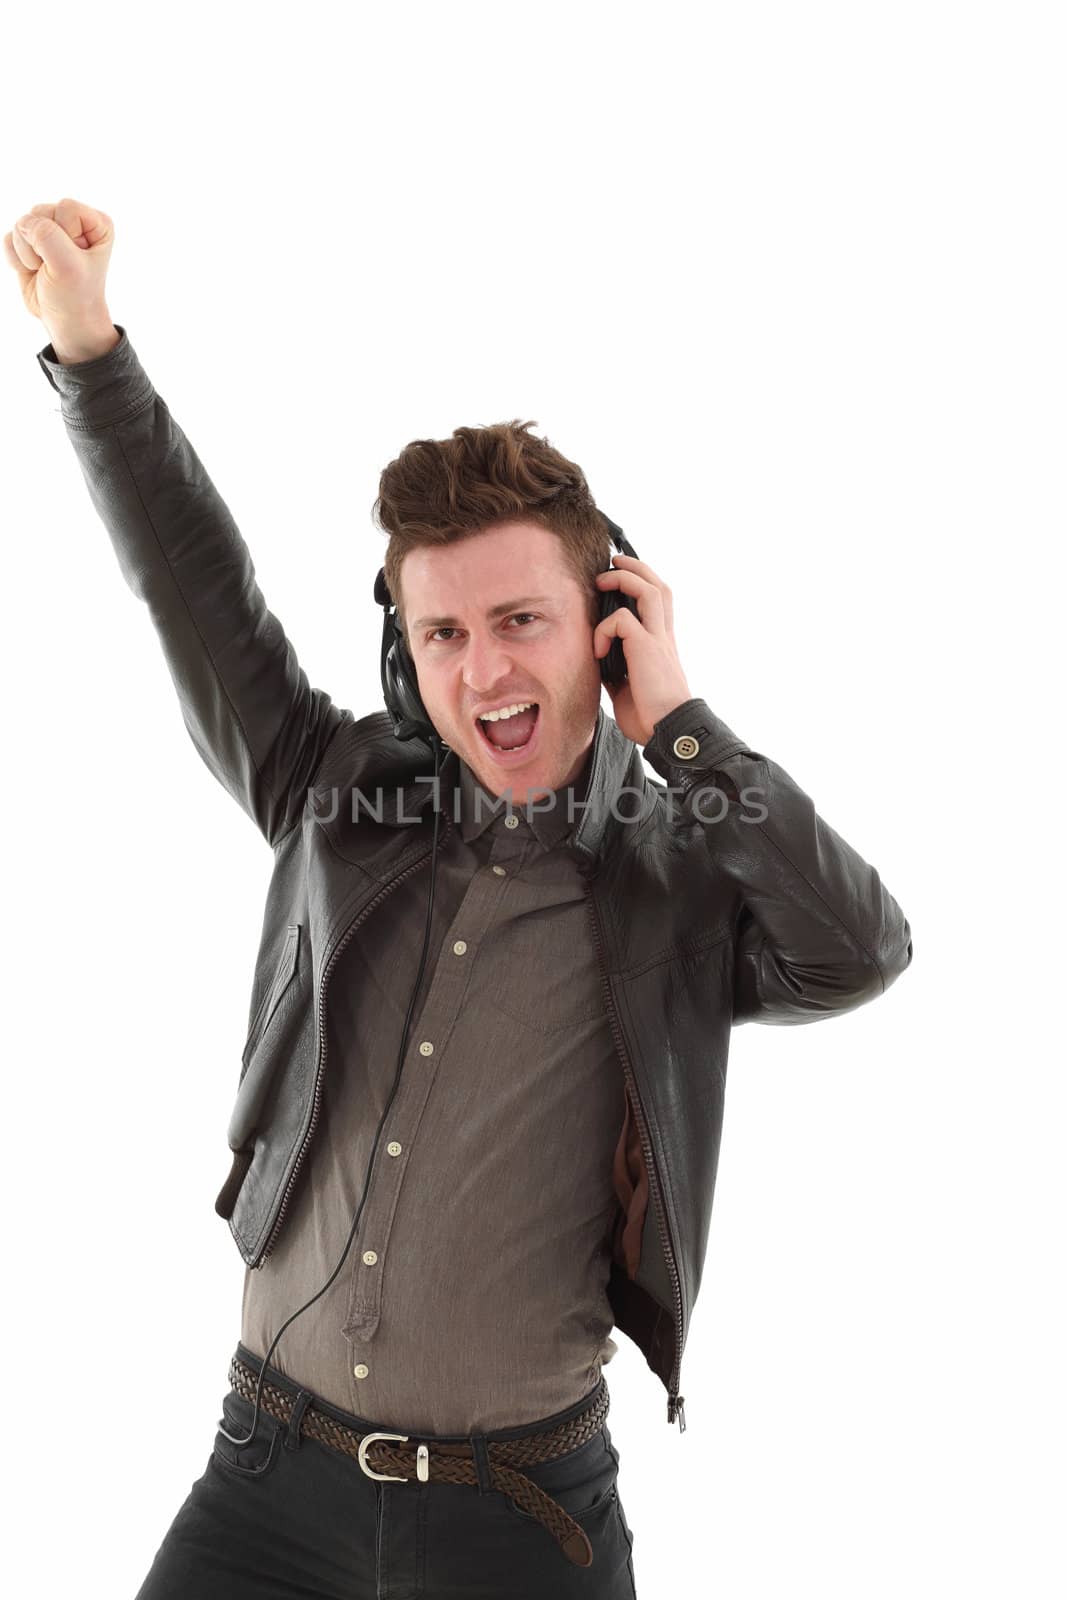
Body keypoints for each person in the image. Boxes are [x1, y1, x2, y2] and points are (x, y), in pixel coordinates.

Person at [7, 198, 913, 1600]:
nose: (484, 674)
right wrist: (88, 345)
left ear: (604, 626)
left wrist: (682, 728)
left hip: (524, 1522)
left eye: (520, 622)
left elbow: (859, 948)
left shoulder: (678, 884)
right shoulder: (329, 789)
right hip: (265, 1484)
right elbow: (193, 584)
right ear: (403, 653)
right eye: (443, 633)